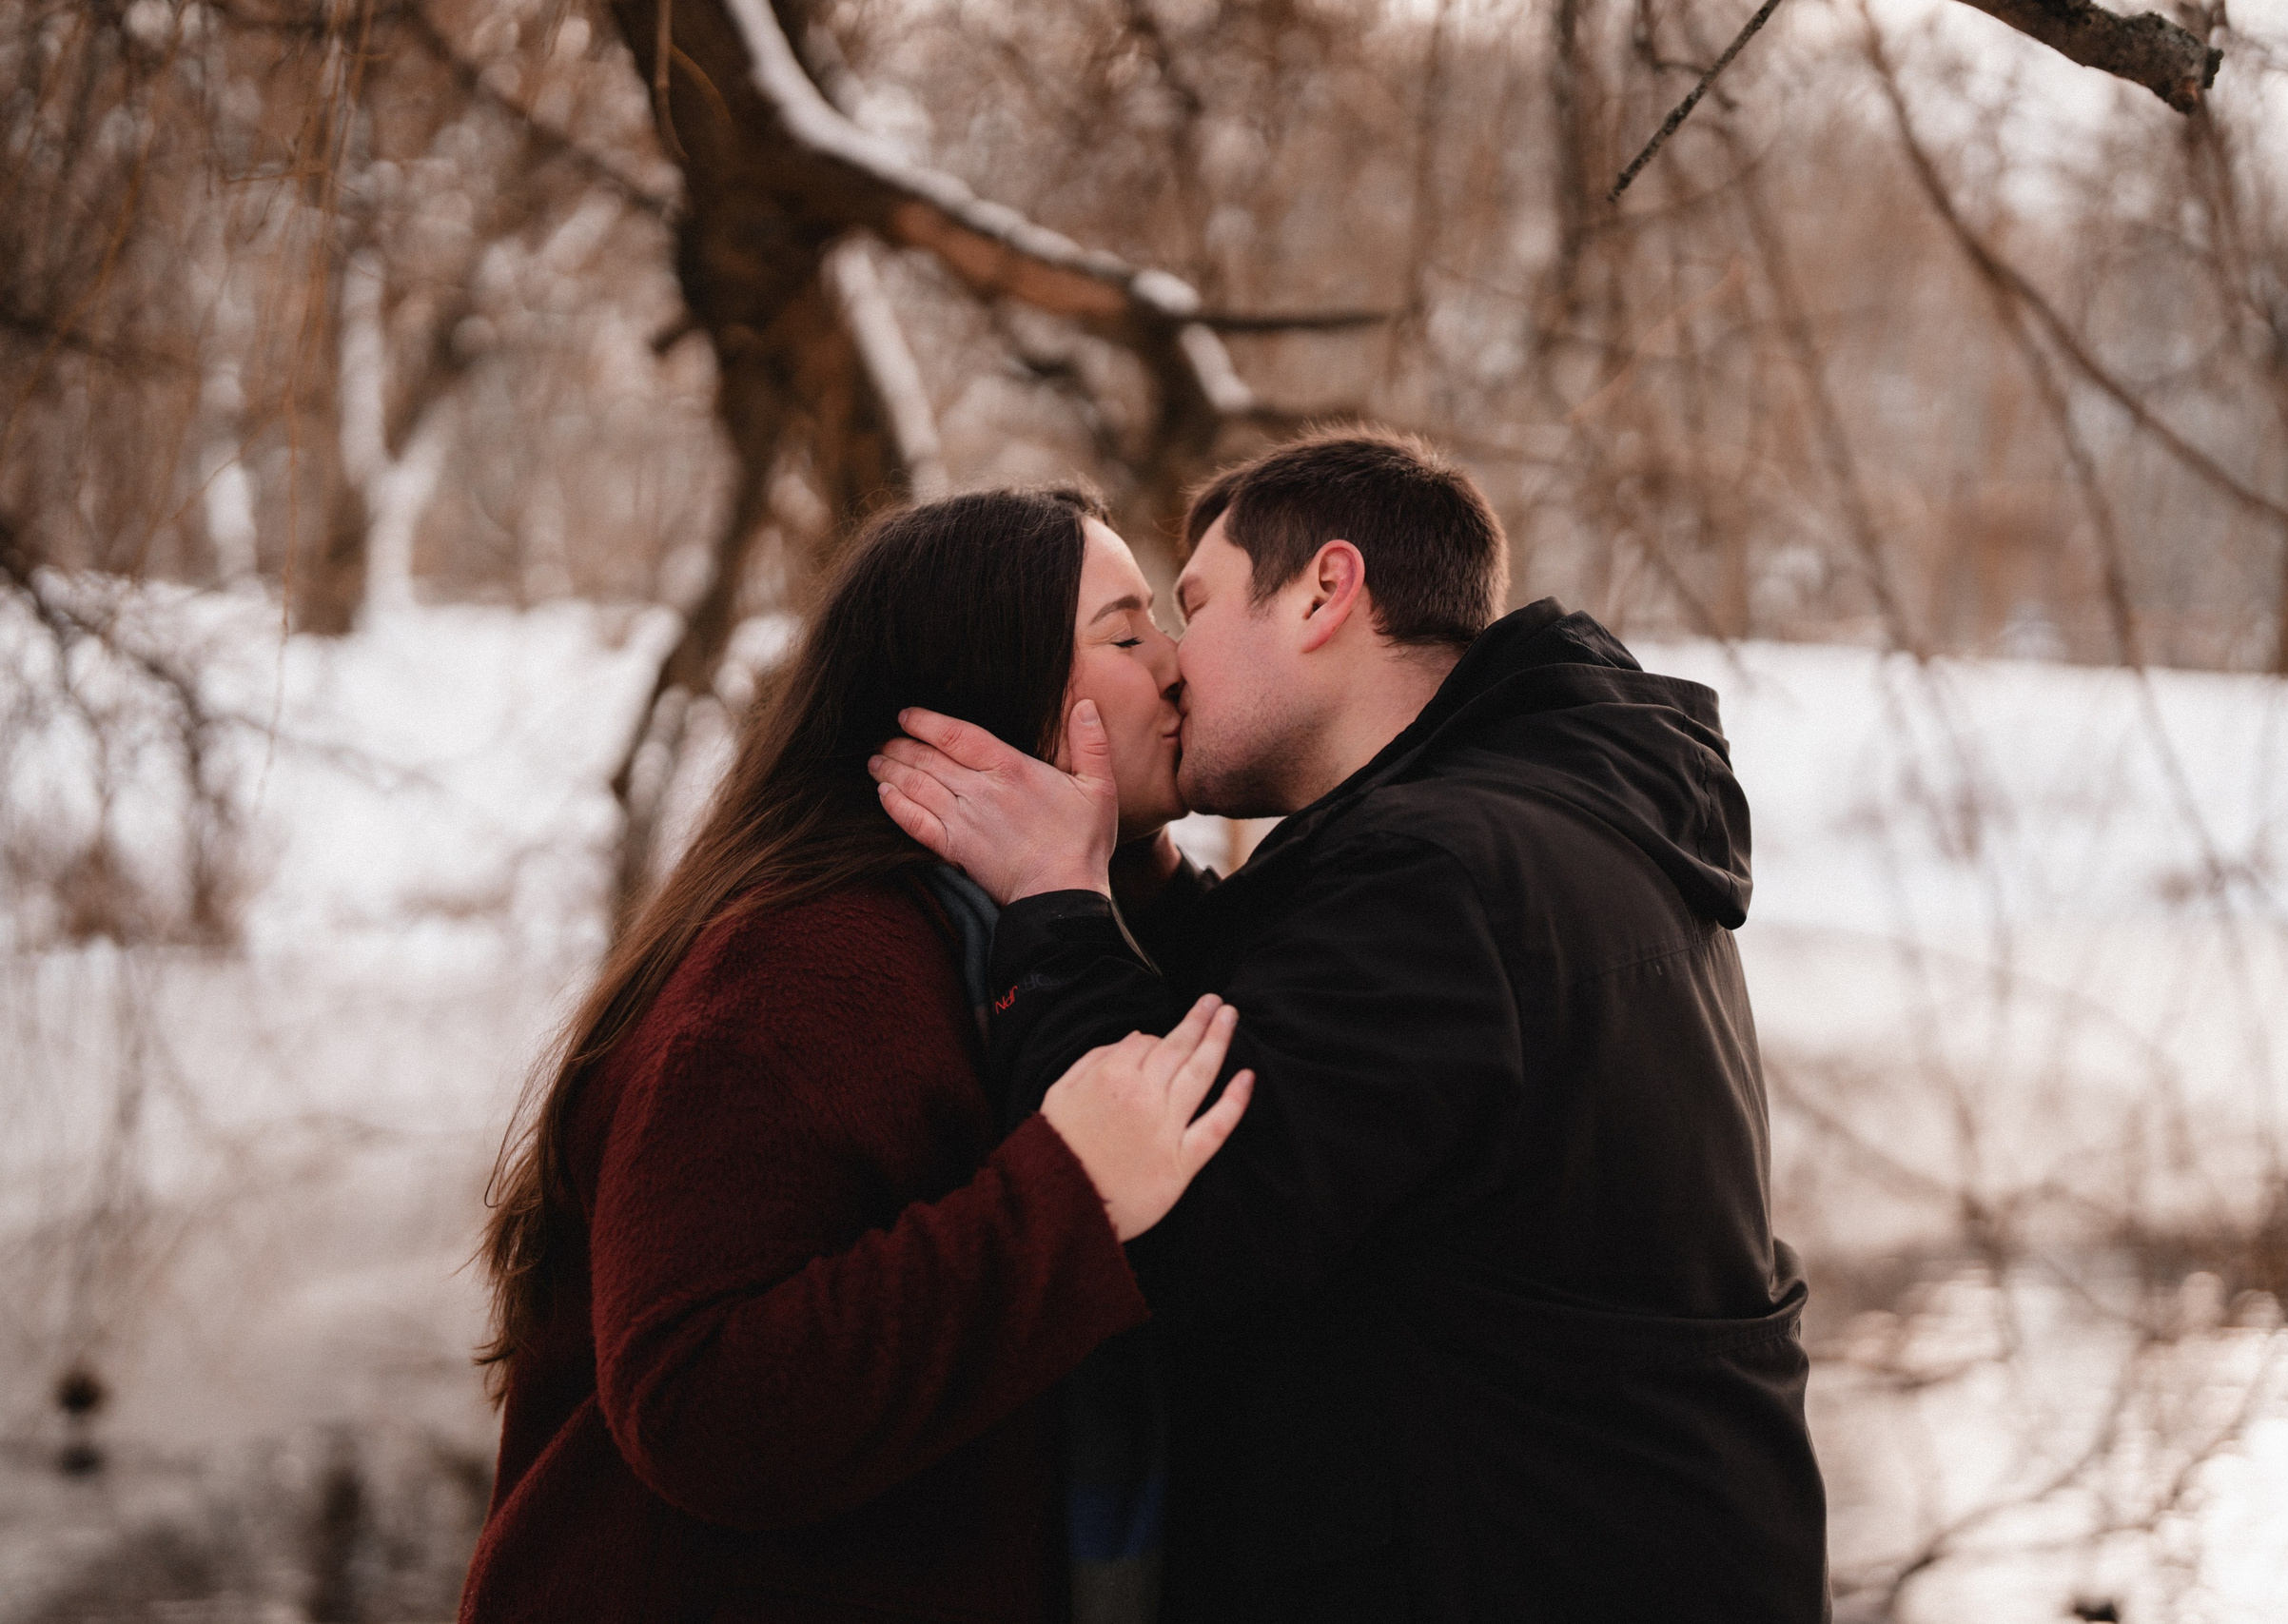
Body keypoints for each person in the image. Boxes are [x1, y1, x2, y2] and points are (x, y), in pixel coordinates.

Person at [870, 431, 1829, 1623]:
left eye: (1194, 606)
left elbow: (1156, 1206)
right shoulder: (1540, 823)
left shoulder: (1439, 875)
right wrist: (1147, 875)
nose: (1170, 666)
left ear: (1325, 591)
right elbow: (1307, 1046)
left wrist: (1055, 903)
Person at [460, 487, 1252, 1624]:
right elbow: (698, 1403)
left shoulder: (1020, 932)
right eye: (1127, 635)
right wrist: (1067, 1198)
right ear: (984, 701)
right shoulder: (800, 973)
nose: (1177, 668)